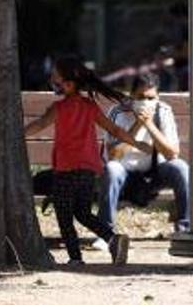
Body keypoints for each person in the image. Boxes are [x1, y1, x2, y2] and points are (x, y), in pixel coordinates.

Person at [22, 55, 136, 266]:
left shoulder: (59, 108)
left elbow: (39, 125)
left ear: (68, 83)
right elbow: (114, 129)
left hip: (65, 169)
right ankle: (113, 239)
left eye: (55, 77)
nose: (52, 81)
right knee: (83, 212)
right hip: (88, 169)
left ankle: (75, 258)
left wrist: (18, 134)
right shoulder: (89, 106)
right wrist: (135, 141)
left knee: (64, 214)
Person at [99, 72, 191, 239]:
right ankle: (106, 233)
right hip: (124, 174)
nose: (146, 102)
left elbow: (172, 154)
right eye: (141, 97)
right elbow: (113, 155)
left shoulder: (163, 111)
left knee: (181, 168)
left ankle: (185, 228)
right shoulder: (117, 112)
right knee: (112, 169)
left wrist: (149, 124)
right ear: (131, 96)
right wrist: (136, 125)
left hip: (155, 173)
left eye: (151, 98)